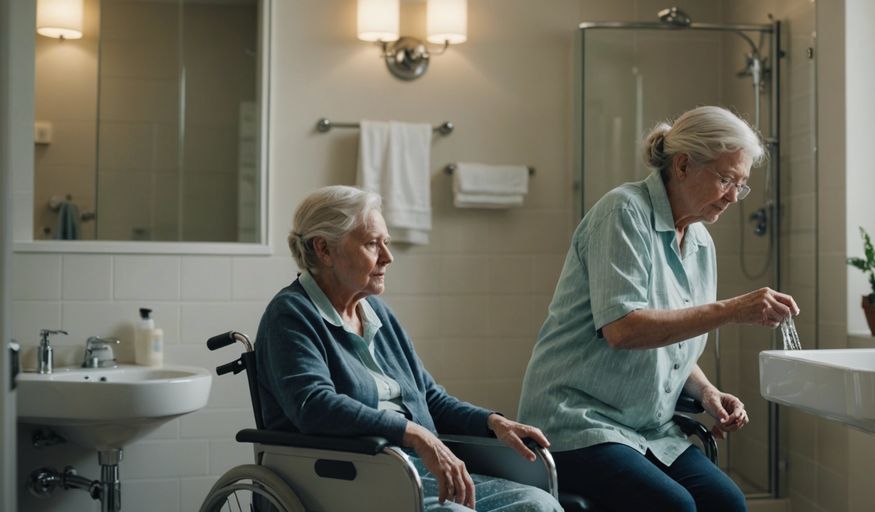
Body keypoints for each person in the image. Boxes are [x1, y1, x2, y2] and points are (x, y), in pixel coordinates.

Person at [517, 106, 800, 512]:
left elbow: (672, 339)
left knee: (728, 503)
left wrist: (707, 392)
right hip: (578, 422)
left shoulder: (701, 243)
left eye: (741, 185)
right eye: (726, 179)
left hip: (648, 428)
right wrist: (733, 309)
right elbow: (624, 329)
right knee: (673, 506)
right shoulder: (624, 212)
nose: (734, 197)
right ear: (683, 165)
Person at [255, 185, 562, 512]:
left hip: (414, 472)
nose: (387, 257)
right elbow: (314, 406)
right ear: (324, 249)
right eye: (372, 244)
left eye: (385, 243)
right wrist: (411, 433)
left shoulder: (376, 311)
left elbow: (428, 396)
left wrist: (492, 423)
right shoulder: (290, 315)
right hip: (355, 479)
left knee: (537, 504)